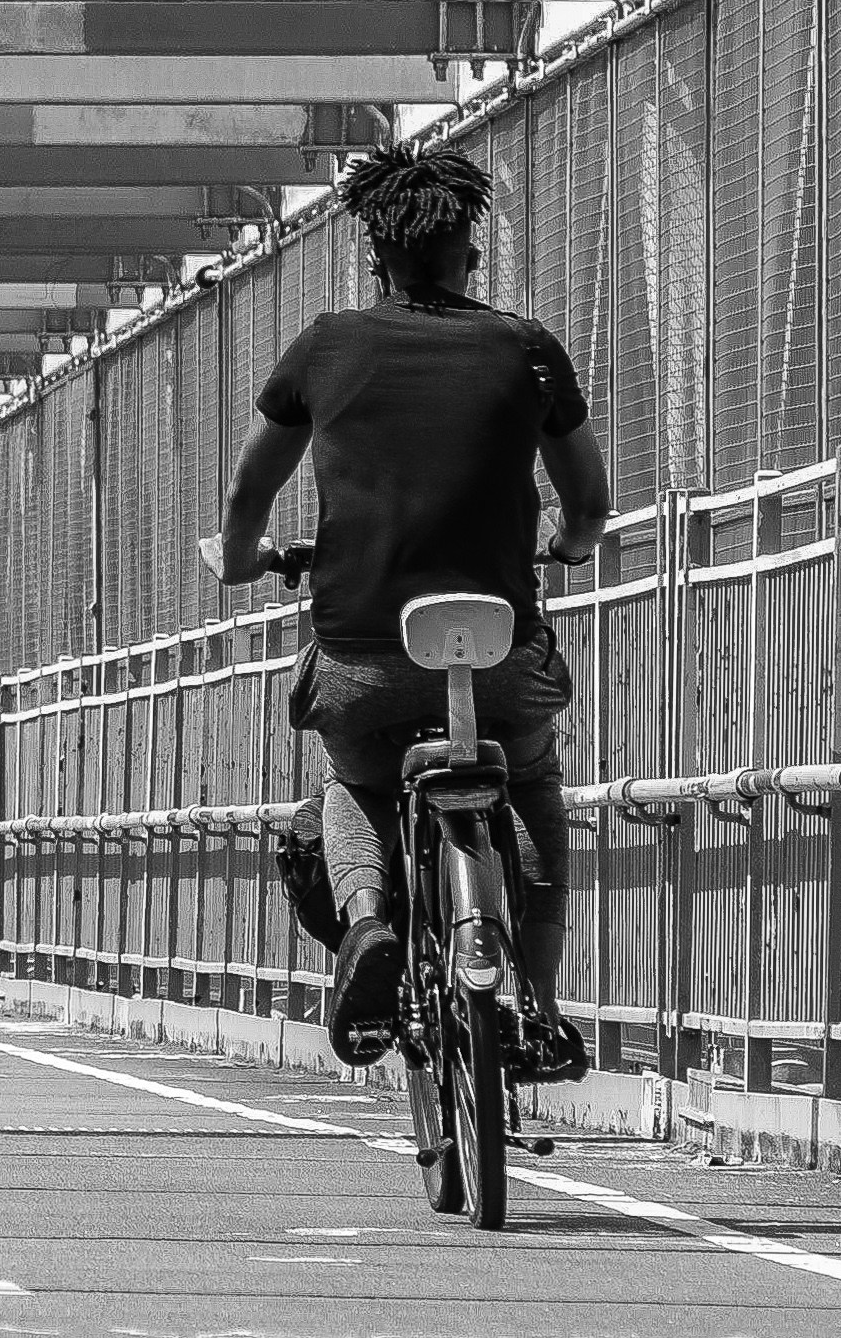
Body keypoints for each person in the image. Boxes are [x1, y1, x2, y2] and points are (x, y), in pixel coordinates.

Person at [219, 147, 608, 1080]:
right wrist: (569, 544)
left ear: (374, 257)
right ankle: (540, 1011)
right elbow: (588, 500)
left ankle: (366, 930)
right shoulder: (526, 345)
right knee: (529, 782)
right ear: (467, 254)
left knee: (353, 783)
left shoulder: (324, 345)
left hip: (362, 646)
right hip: (499, 639)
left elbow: (248, 493)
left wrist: (247, 563)